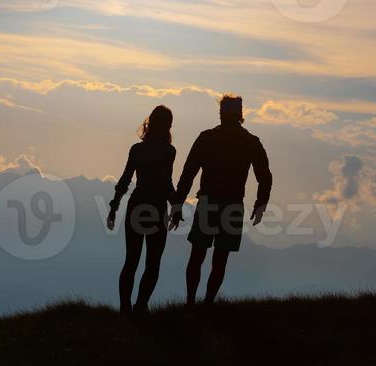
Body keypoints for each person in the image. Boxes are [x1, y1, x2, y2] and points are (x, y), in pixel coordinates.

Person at [169, 95, 272, 306]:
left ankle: (191, 302)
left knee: (197, 255)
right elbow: (265, 176)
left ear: (221, 114)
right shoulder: (250, 142)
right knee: (220, 259)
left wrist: (178, 204)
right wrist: (261, 203)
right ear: (240, 116)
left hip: (208, 202)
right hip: (233, 205)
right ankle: (207, 303)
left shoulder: (207, 138)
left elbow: (188, 173)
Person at [107, 105, 176, 314]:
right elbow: (166, 183)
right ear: (168, 126)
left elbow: (126, 178)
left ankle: (125, 308)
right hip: (157, 208)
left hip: (136, 206)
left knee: (131, 260)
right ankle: (140, 306)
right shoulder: (169, 151)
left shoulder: (137, 149)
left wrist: (114, 205)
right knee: (153, 263)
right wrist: (177, 206)